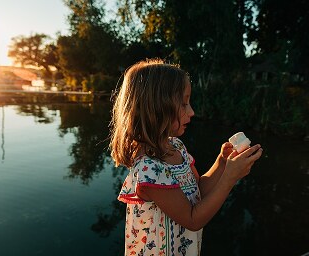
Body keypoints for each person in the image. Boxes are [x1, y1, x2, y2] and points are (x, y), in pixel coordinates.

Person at [110, 59, 264, 255]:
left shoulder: (175, 146)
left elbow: (198, 190)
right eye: (183, 104)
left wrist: (223, 163)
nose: (191, 111)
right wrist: (230, 178)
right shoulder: (148, 169)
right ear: (157, 108)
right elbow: (193, 219)